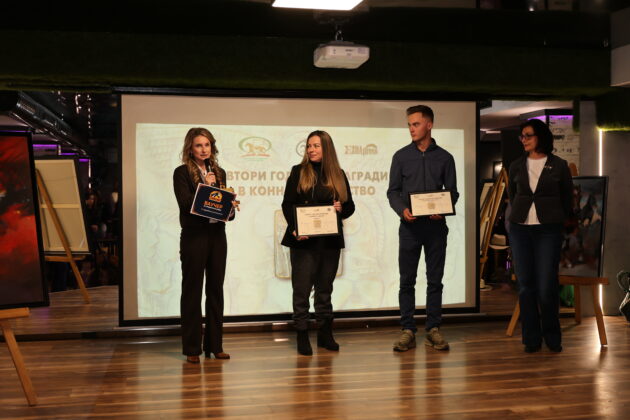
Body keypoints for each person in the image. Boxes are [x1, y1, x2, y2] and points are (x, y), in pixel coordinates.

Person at [387, 105, 458, 352]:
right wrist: (402, 210)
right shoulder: (401, 156)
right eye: (409, 124)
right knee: (407, 281)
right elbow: (393, 191)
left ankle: (433, 329)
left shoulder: (445, 158)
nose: (411, 129)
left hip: (436, 228)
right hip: (409, 228)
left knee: (435, 281)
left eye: (415, 124)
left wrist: (444, 208)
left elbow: (452, 192)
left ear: (429, 125)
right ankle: (407, 329)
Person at [281, 130, 355, 355]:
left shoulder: (338, 174)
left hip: (329, 242)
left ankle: (325, 334)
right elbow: (287, 204)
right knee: (301, 291)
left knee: (325, 290)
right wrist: (295, 228)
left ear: (326, 148)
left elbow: (350, 206)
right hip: (303, 242)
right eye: (309, 146)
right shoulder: (298, 171)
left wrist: (341, 208)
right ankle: (302, 334)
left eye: (316, 146)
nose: (311, 150)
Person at [507, 119, 573, 353]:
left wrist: (559, 221)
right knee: (526, 286)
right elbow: (513, 195)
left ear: (541, 137)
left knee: (546, 286)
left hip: (548, 230)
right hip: (520, 229)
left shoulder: (559, 165)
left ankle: (552, 336)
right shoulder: (516, 165)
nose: (523, 140)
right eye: (522, 136)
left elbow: (567, 199)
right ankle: (531, 338)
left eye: (528, 135)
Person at [173, 127, 234, 363]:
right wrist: (207, 189)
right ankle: (192, 348)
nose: (203, 149)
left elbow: (222, 208)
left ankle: (215, 345)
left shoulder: (219, 172)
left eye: (207, 145)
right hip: (194, 236)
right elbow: (186, 204)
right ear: (190, 148)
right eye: (199, 145)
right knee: (192, 291)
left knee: (216, 290)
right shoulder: (181, 173)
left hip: (217, 235)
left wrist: (230, 207)